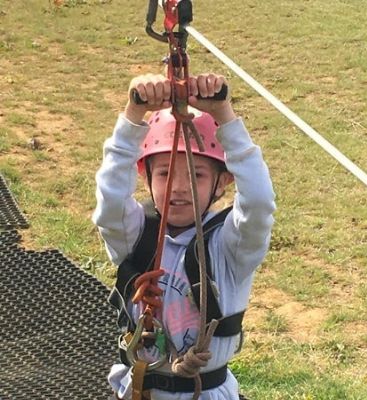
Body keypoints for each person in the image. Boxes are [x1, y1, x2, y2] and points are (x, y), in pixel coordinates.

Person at [92, 72, 276, 400]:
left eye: (195, 174)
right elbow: (110, 198)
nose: (178, 187)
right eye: (164, 173)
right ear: (146, 177)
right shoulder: (136, 235)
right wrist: (133, 116)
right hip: (141, 391)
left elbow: (259, 203)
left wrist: (224, 115)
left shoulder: (231, 247)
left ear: (222, 183)